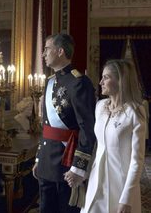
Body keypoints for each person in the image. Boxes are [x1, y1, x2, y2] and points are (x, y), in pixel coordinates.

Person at [32, 33, 96, 213]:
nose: (43, 54)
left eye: (46, 49)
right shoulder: (50, 82)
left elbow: (87, 129)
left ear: (60, 51)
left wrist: (78, 168)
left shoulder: (79, 83)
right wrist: (39, 157)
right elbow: (46, 126)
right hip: (46, 162)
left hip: (67, 163)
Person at [80, 59, 147, 213]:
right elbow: (96, 145)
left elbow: (137, 160)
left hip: (121, 185)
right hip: (96, 179)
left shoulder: (135, 112)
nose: (100, 82)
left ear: (121, 81)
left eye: (106, 77)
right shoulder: (100, 106)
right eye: (102, 77)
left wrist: (127, 198)